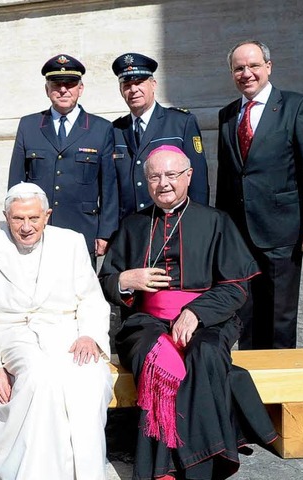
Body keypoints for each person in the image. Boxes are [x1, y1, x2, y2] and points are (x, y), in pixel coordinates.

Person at [100, 145, 277, 480]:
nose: (163, 183)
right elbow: (106, 281)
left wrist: (196, 312)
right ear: (146, 181)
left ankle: (182, 464)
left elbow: (236, 287)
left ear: (188, 177)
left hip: (207, 320)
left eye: (171, 175)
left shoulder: (216, 222)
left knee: (205, 354)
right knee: (157, 361)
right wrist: (127, 279)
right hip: (146, 322)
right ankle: (201, 455)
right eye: (155, 176)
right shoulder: (133, 224)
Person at [0, 182, 113, 480]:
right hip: (14, 335)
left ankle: (85, 470)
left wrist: (89, 335)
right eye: (18, 219)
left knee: (90, 377)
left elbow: (91, 298)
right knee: (42, 377)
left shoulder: (71, 242)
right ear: (6, 217)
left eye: (33, 218)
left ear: (47, 215)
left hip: (67, 333)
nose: (26, 226)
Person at [216, 40, 303, 350]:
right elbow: (227, 177)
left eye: (254, 65)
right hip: (239, 234)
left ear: (268, 66)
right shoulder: (227, 115)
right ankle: (250, 380)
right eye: (239, 68)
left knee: (279, 315)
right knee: (245, 312)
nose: (247, 73)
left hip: (281, 230)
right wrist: (221, 229)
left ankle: (281, 383)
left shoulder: (296, 106)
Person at [8, 53, 118, 258]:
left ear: (80, 88)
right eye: (57, 84)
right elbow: (16, 183)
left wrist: (105, 233)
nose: (63, 89)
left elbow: (109, 187)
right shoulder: (29, 125)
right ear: (47, 89)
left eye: (70, 83)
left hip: (83, 230)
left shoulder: (100, 128)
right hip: (36, 231)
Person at [111, 52, 209, 218]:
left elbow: (198, 180)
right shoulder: (115, 129)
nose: (133, 89)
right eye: (127, 84)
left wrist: (198, 222)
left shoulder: (181, 122)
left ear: (153, 84)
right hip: (130, 226)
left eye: (139, 82)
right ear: (121, 90)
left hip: (173, 222)